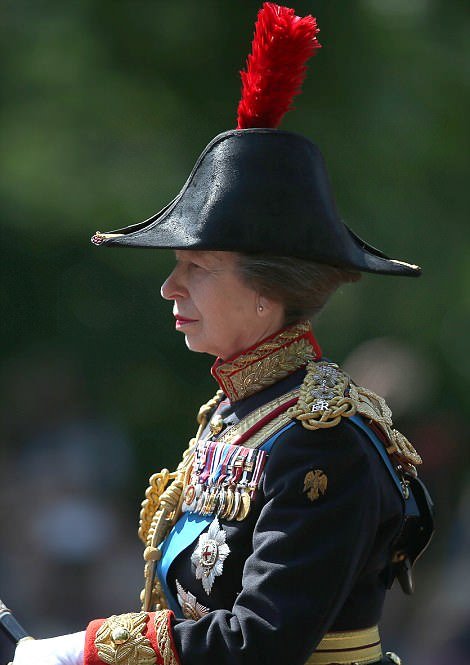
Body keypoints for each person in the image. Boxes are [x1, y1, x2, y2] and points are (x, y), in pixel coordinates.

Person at [10, 3, 433, 665]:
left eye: (196, 267)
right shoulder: (238, 412)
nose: (169, 288)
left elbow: (261, 640)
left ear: (268, 289)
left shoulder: (324, 443)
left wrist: (86, 651)